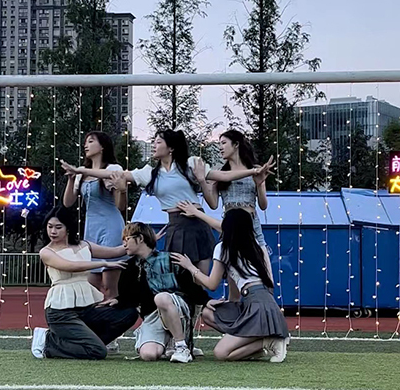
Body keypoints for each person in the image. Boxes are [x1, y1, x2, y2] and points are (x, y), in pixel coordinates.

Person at [61, 129, 274, 276]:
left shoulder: (190, 164)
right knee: (178, 280)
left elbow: (223, 176)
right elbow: (115, 174)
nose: (153, 145)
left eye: (158, 142)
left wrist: (254, 171)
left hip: (198, 224)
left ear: (170, 147)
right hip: (176, 225)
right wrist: (80, 170)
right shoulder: (149, 173)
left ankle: (193, 327)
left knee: (199, 281)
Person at [172, 204, 290, 362]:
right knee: (208, 313)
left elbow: (211, 284)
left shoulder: (223, 248)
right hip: (264, 303)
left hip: (255, 305)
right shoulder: (257, 246)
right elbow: (267, 284)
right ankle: (257, 344)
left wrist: (190, 267)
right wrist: (231, 303)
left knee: (221, 353)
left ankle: (269, 341)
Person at [30, 207, 138, 360]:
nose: (53, 231)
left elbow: (116, 251)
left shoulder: (84, 245)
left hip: (86, 308)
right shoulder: (46, 252)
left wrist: (146, 240)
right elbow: (70, 266)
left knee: (129, 314)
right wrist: (103, 264)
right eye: (50, 227)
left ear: (68, 228)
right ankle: (48, 342)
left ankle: (91, 344)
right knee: (98, 352)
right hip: (61, 312)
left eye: (58, 227)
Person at [100, 222, 210, 363]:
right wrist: (118, 300)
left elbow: (190, 287)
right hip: (152, 315)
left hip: (176, 308)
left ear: (140, 238)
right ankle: (168, 342)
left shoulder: (170, 259)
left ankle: (181, 346)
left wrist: (207, 301)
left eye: (127, 239)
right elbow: (130, 297)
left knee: (161, 298)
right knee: (148, 355)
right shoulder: (129, 267)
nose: (124, 244)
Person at [199, 129, 274, 299]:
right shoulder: (220, 173)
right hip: (231, 227)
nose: (220, 147)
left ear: (236, 144)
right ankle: (235, 312)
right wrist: (203, 182)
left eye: (224, 143)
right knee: (234, 287)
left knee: (266, 279)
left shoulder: (256, 170)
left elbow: (263, 205)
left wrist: (260, 184)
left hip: (252, 226)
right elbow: (213, 203)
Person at [63, 131, 126, 301]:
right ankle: (95, 316)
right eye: (85, 142)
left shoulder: (112, 169)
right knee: (91, 285)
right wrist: (71, 179)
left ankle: (112, 315)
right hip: (91, 228)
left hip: (111, 227)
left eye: (91, 141)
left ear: (102, 146)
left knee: (109, 284)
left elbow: (120, 206)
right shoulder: (81, 173)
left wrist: (122, 190)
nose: (86, 145)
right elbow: (68, 202)